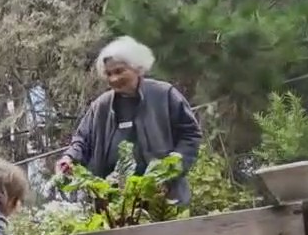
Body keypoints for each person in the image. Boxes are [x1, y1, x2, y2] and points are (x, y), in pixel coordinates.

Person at [57, 36, 202, 206]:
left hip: (163, 199)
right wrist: (69, 158)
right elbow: (82, 141)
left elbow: (190, 135)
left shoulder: (164, 95)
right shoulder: (100, 107)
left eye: (119, 71)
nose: (113, 79)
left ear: (137, 68)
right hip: (114, 205)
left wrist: (172, 167)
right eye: (109, 74)